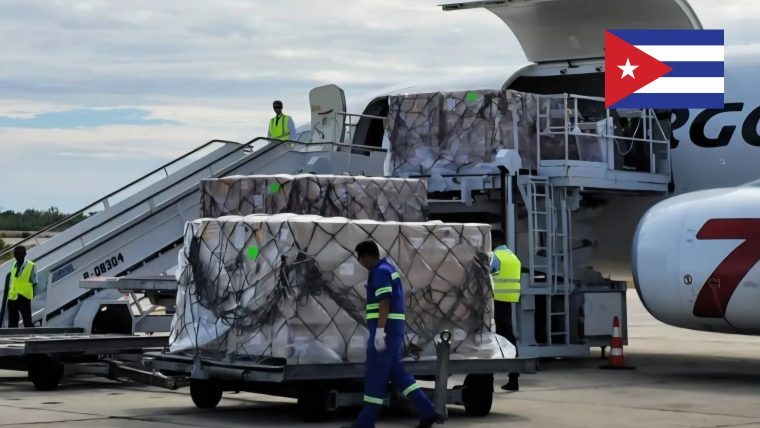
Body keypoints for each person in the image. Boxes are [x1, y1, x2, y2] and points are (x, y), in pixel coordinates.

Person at [344, 240, 443, 428]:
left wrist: (380, 332)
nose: (360, 263)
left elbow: (384, 302)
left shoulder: (381, 272)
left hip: (386, 329)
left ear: (366, 256)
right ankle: (428, 412)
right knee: (399, 375)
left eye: (360, 259)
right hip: (392, 329)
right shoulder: (387, 269)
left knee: (375, 374)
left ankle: (365, 423)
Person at [490, 230, 522, 391]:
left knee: (489, 339)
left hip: (495, 302)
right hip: (508, 301)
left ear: (495, 240)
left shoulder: (495, 256)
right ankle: (514, 377)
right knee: (509, 338)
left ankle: (487, 379)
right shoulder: (513, 257)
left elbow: (485, 275)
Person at [6, 246, 36, 328]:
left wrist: (32, 295)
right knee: (12, 324)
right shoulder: (13, 264)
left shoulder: (31, 265)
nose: (17, 257)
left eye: (19, 255)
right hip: (12, 297)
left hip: (24, 297)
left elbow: (34, 282)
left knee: (27, 323)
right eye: (16, 255)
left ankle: (32, 334)